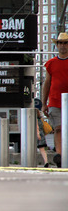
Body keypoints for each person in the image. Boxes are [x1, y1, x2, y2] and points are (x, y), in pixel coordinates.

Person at [42, 32, 68, 168]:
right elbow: (46, 83)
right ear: (57, 45)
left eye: (65, 43)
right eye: (60, 43)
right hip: (55, 102)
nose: (63, 45)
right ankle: (60, 156)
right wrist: (44, 103)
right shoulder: (50, 63)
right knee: (58, 129)